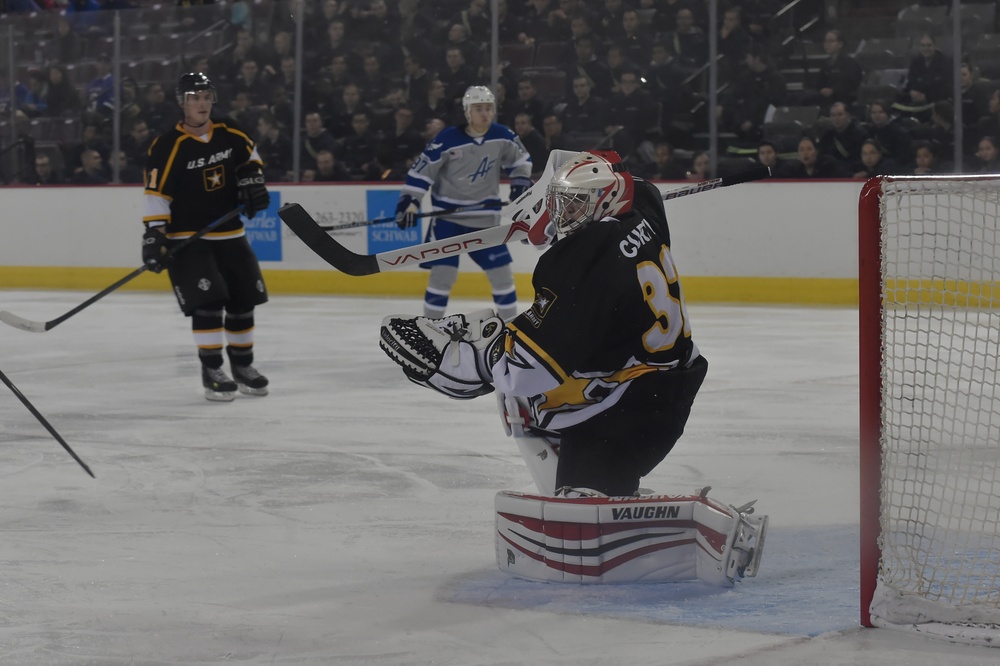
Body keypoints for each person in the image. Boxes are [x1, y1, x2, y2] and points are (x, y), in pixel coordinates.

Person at [380, 151, 709, 499]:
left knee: (518, 387)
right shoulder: (643, 208)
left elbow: (526, 368)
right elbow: (625, 174)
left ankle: (599, 492)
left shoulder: (585, 261)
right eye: (560, 203)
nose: (562, 213)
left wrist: (465, 358)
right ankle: (602, 482)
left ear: (607, 199)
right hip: (668, 380)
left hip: (627, 414)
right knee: (524, 404)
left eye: (575, 204)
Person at [141, 73, 271, 401]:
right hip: (188, 238)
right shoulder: (168, 145)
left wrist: (252, 183)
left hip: (230, 234)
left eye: (205, 96)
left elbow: (251, 162)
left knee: (243, 301)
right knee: (209, 303)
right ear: (182, 103)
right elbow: (156, 194)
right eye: (193, 97)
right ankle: (212, 369)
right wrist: (155, 237)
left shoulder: (231, 132)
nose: (201, 103)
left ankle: (243, 366)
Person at [394, 86, 532, 321]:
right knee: (442, 277)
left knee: (502, 277)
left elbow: (521, 161)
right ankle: (432, 329)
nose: (485, 114)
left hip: (486, 220)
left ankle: (513, 331)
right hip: (448, 221)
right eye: (479, 109)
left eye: (488, 108)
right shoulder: (448, 139)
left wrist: (520, 184)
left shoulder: (503, 136)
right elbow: (422, 172)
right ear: (468, 112)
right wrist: (410, 202)